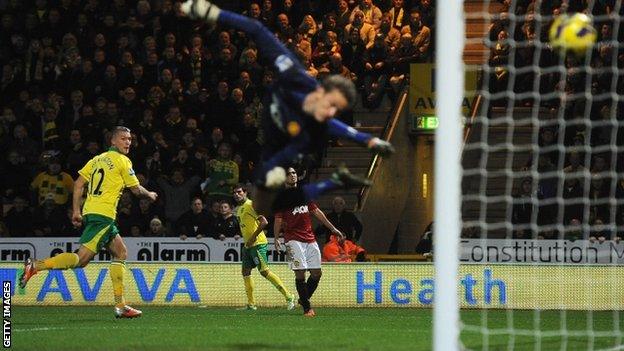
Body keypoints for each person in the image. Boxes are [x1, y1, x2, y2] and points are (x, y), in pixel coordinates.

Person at [180, 0, 394, 215]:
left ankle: (324, 182)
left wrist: (369, 140)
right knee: (265, 200)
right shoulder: (292, 71)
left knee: (267, 205)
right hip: (271, 120)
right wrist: (214, 12)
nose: (330, 112)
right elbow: (257, 28)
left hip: (284, 139)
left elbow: (339, 128)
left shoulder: (319, 118)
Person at [19, 126, 158, 319]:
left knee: (121, 252)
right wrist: (150, 194)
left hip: (94, 212)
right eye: (124, 139)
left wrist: (76, 210)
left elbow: (78, 184)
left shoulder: (96, 159)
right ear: (113, 141)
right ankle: (36, 266)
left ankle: (121, 306)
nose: (128, 142)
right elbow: (135, 190)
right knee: (81, 259)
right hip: (103, 215)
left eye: (130, 139)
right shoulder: (123, 161)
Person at [272, 167, 343, 317]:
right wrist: (277, 238)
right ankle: (307, 308)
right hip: (293, 239)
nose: (292, 175)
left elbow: (316, 212)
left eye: (294, 173)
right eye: (289, 174)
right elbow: (278, 220)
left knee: (317, 273)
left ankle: (303, 299)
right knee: (300, 273)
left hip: (309, 238)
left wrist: (333, 228)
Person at [232, 184, 295, 310]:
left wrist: (253, 237)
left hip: (258, 244)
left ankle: (289, 296)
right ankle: (251, 304)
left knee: (264, 271)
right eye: (234, 193)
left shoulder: (251, 205)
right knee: (245, 272)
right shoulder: (239, 209)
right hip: (248, 245)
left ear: (245, 192)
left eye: (239, 192)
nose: (236, 194)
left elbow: (264, 222)